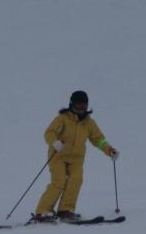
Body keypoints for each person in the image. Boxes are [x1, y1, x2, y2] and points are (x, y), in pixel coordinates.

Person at [33, 91, 119, 222]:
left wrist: (109, 150)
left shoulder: (89, 123)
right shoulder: (62, 119)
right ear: (71, 104)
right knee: (59, 181)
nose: (81, 108)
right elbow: (49, 133)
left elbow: (98, 140)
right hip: (58, 156)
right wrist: (55, 142)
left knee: (76, 180)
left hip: (76, 159)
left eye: (84, 105)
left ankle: (65, 210)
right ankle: (42, 212)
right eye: (78, 105)